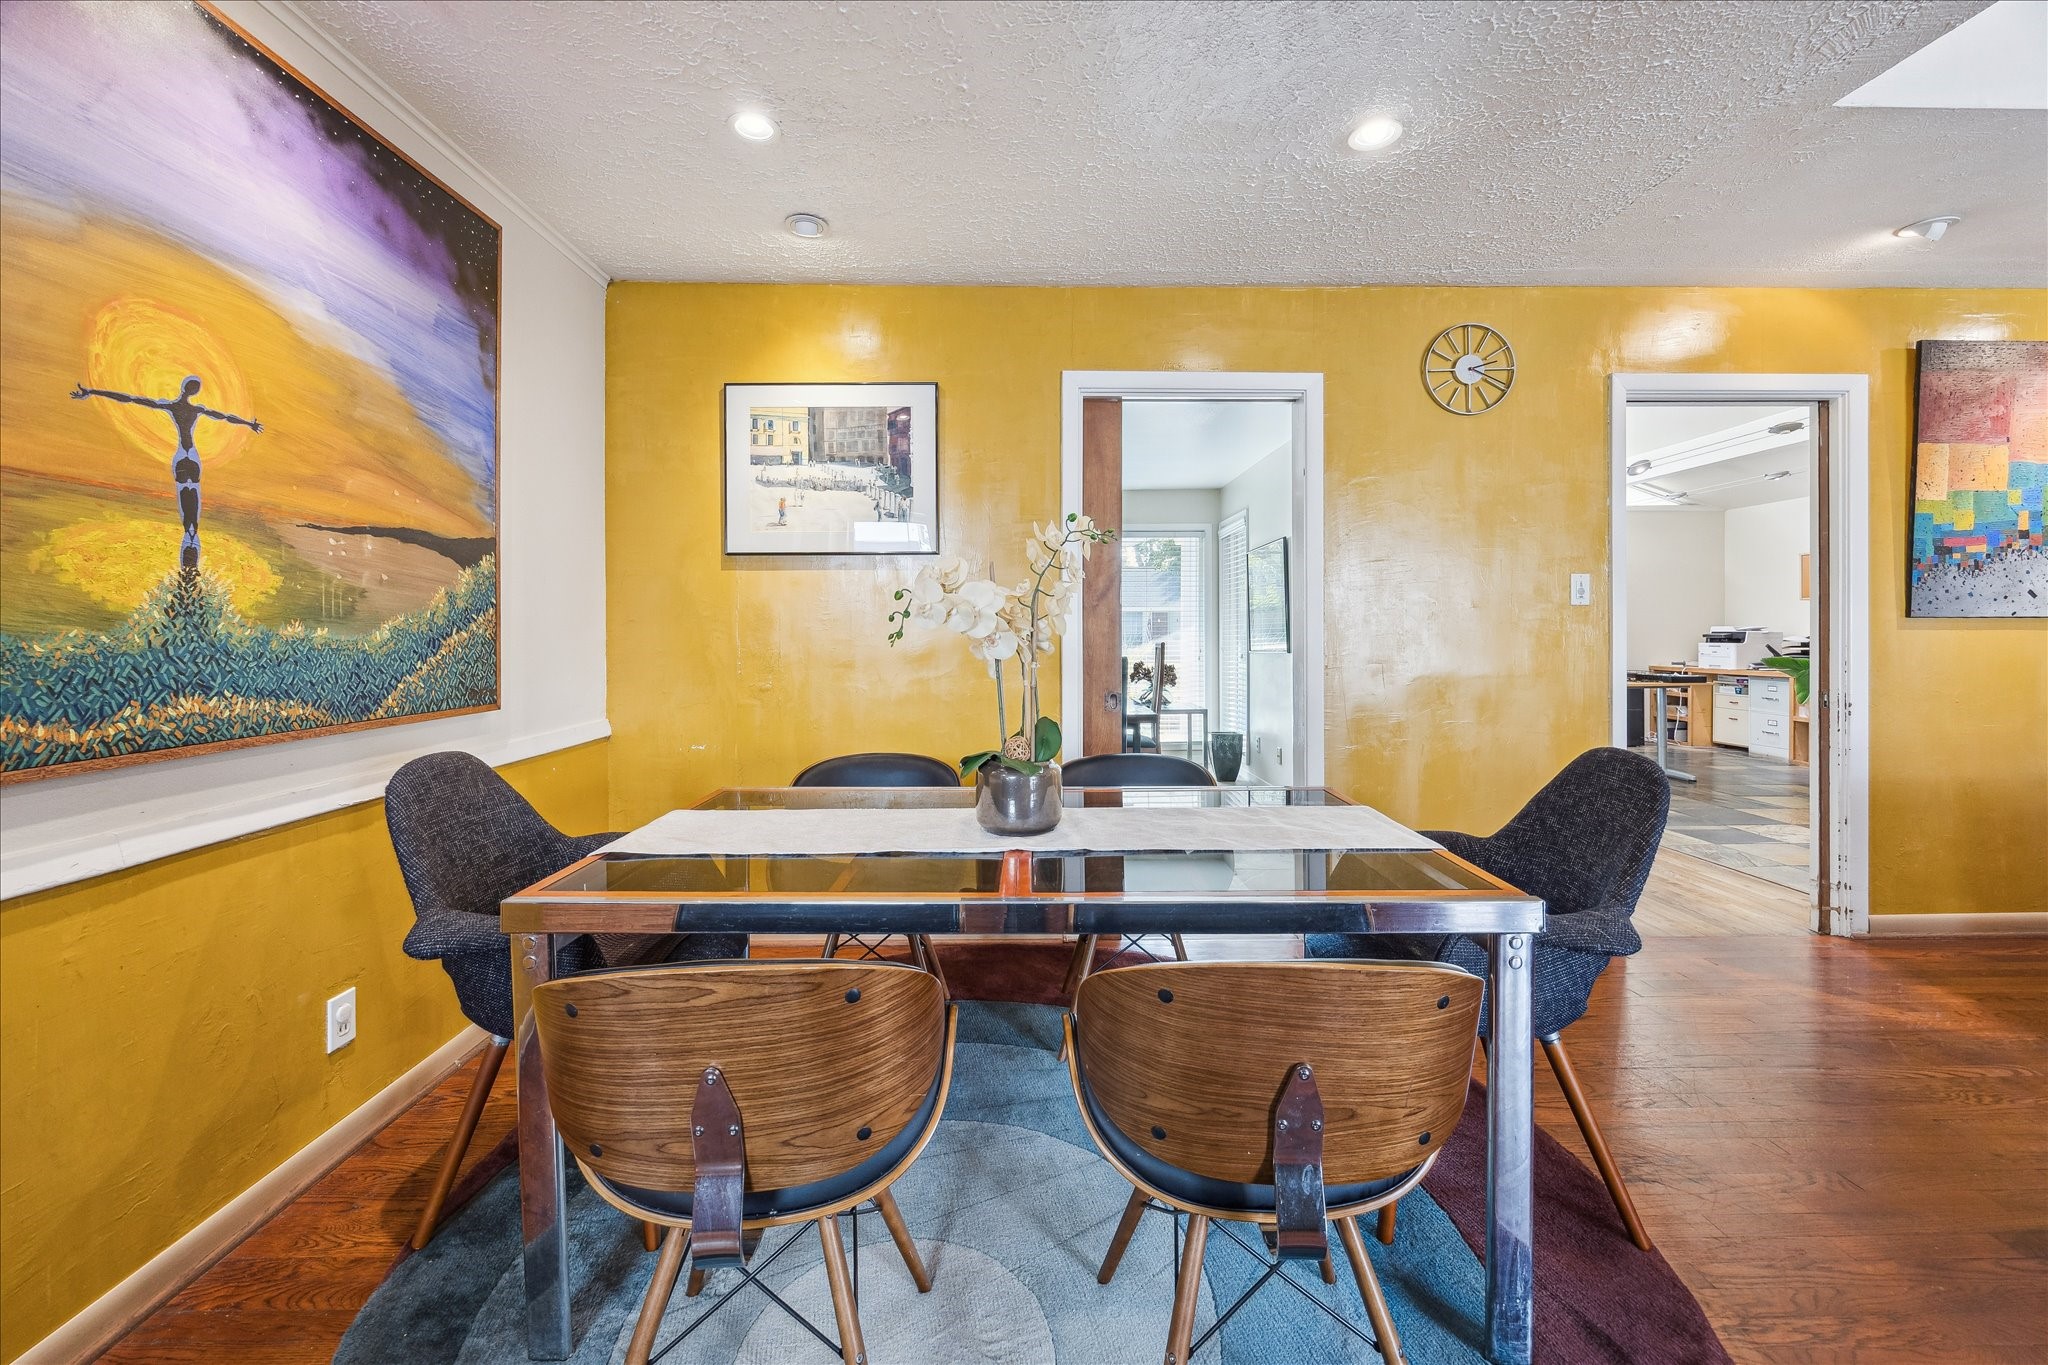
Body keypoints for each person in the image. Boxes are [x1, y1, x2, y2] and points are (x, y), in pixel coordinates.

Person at [71, 375, 261, 571]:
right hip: (192, 457)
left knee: (185, 495)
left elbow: (131, 399)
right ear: (195, 392)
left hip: (181, 457)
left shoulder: (171, 406)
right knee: (192, 497)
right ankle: (191, 540)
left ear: (183, 388)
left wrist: (92, 392)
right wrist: (249, 424)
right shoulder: (197, 410)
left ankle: (189, 544)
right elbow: (225, 417)